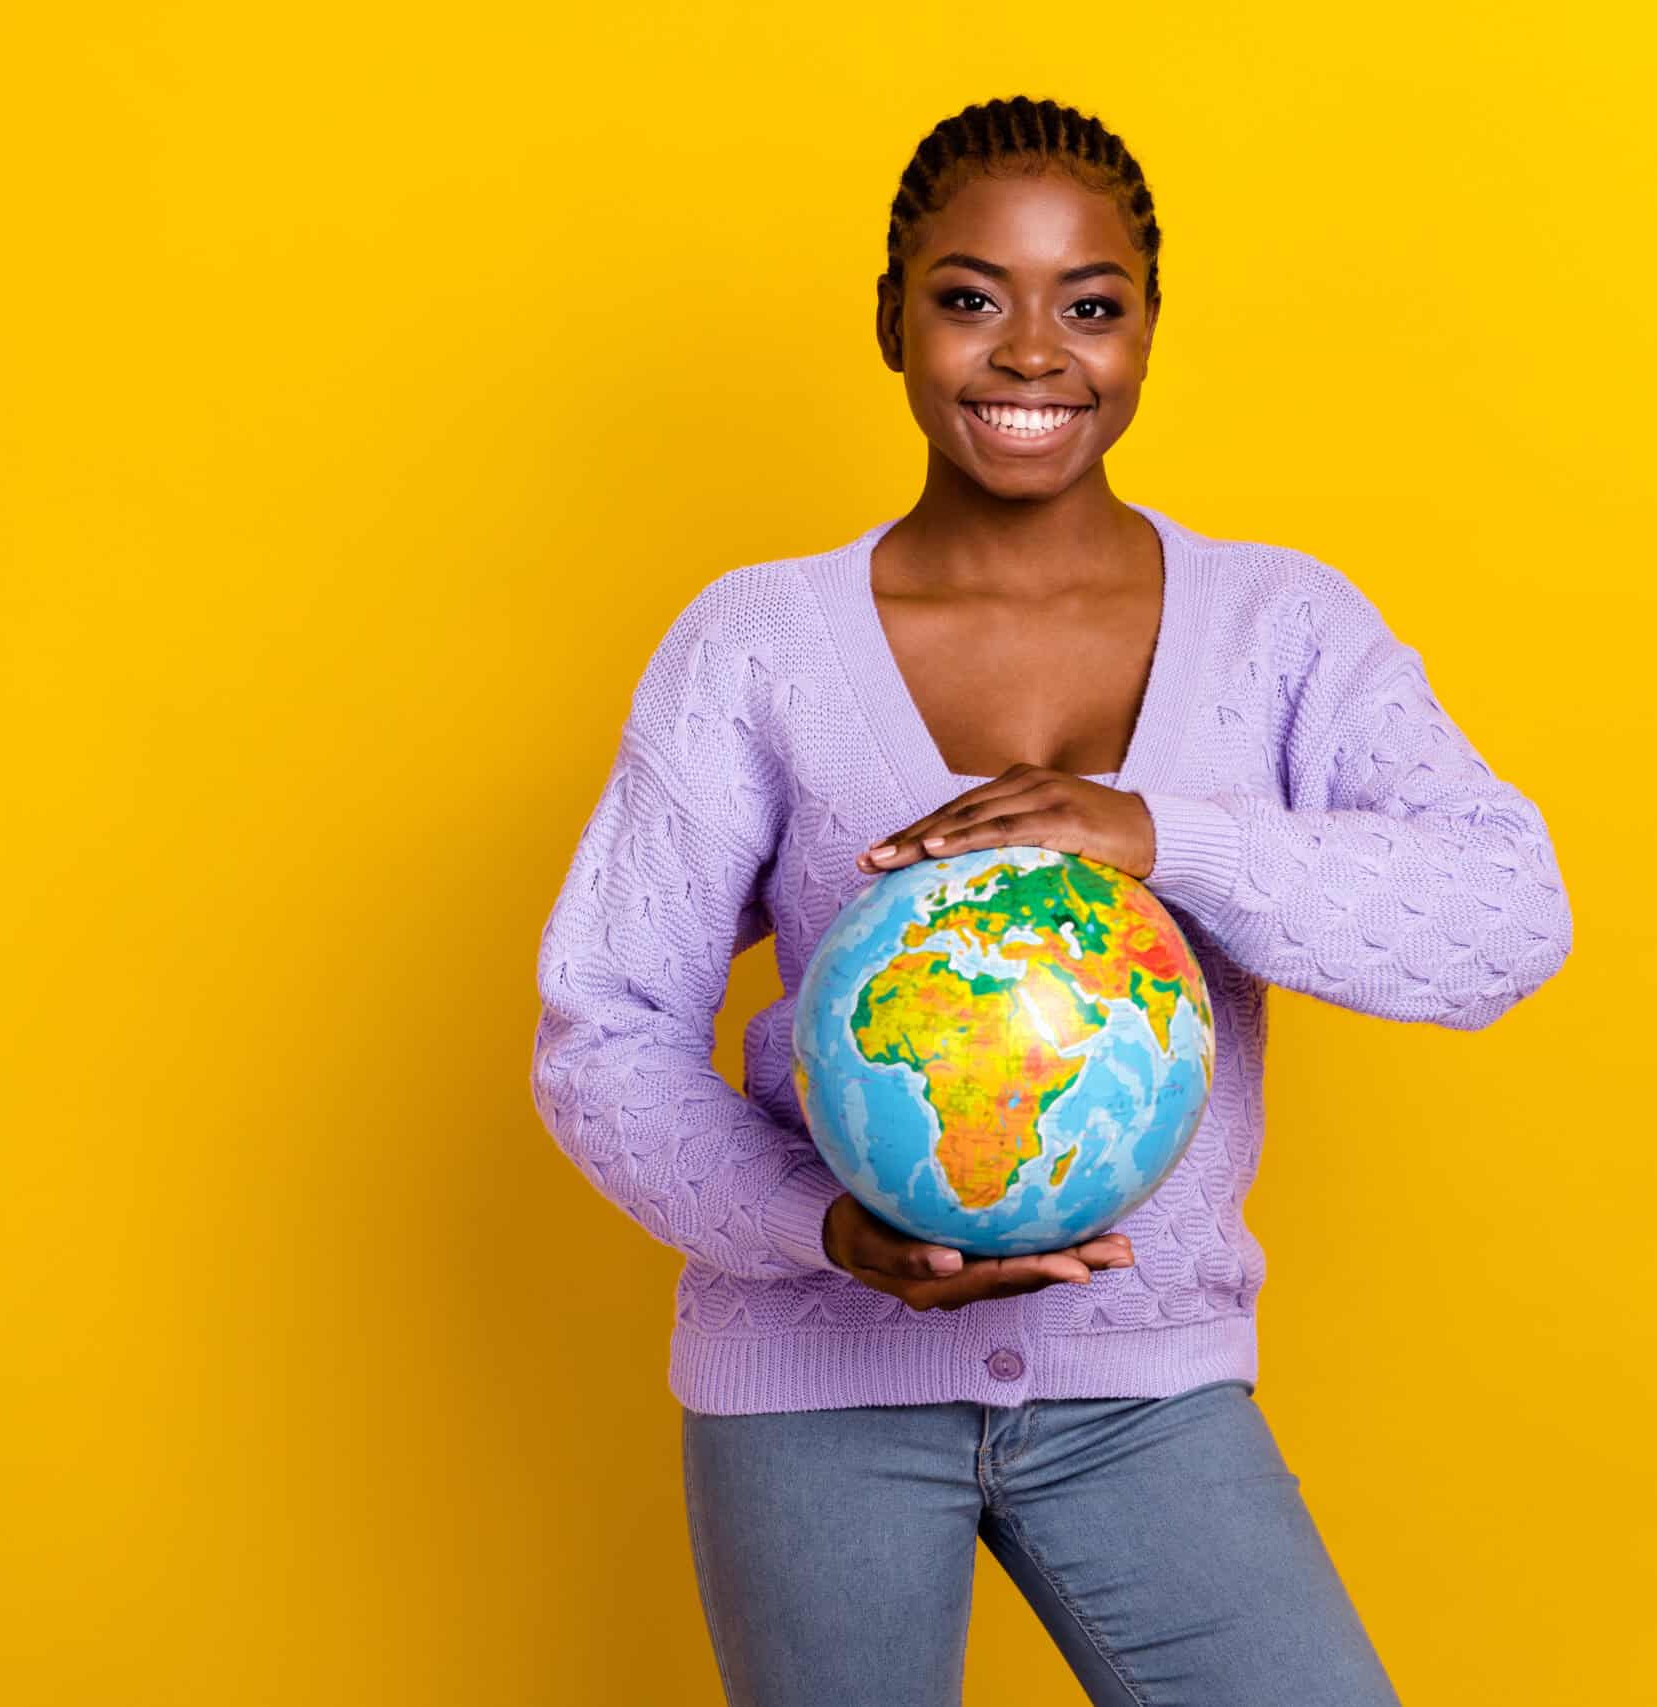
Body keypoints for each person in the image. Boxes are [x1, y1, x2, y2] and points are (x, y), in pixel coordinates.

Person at [528, 93, 1573, 1707]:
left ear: (1149, 332)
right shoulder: (754, 644)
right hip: (814, 1386)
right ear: (891, 321)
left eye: (1090, 305)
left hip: (1146, 1388)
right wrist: (818, 1231)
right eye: (970, 298)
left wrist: (1168, 836)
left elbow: (1508, 914)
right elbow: (605, 1031)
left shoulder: (1284, 628)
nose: (1031, 355)